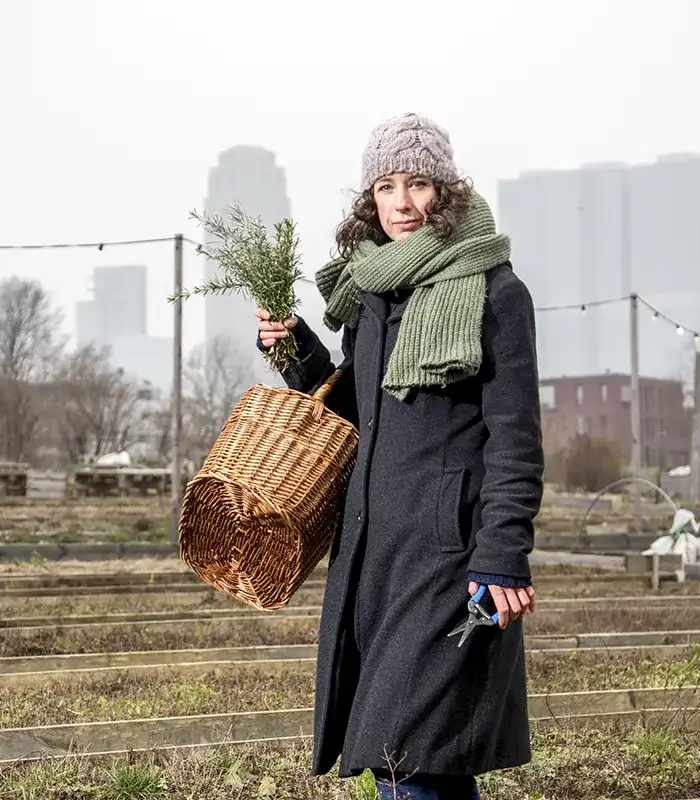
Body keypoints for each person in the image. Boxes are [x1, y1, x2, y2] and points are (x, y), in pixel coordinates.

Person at [256, 112, 544, 800]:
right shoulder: (374, 298)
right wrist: (299, 351)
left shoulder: (497, 293)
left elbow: (516, 440)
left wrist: (502, 552)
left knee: (409, 759)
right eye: (386, 186)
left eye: (417, 183)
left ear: (445, 191)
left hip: (450, 559)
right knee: (420, 762)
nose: (402, 202)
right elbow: (362, 415)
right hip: (377, 555)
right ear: (370, 199)